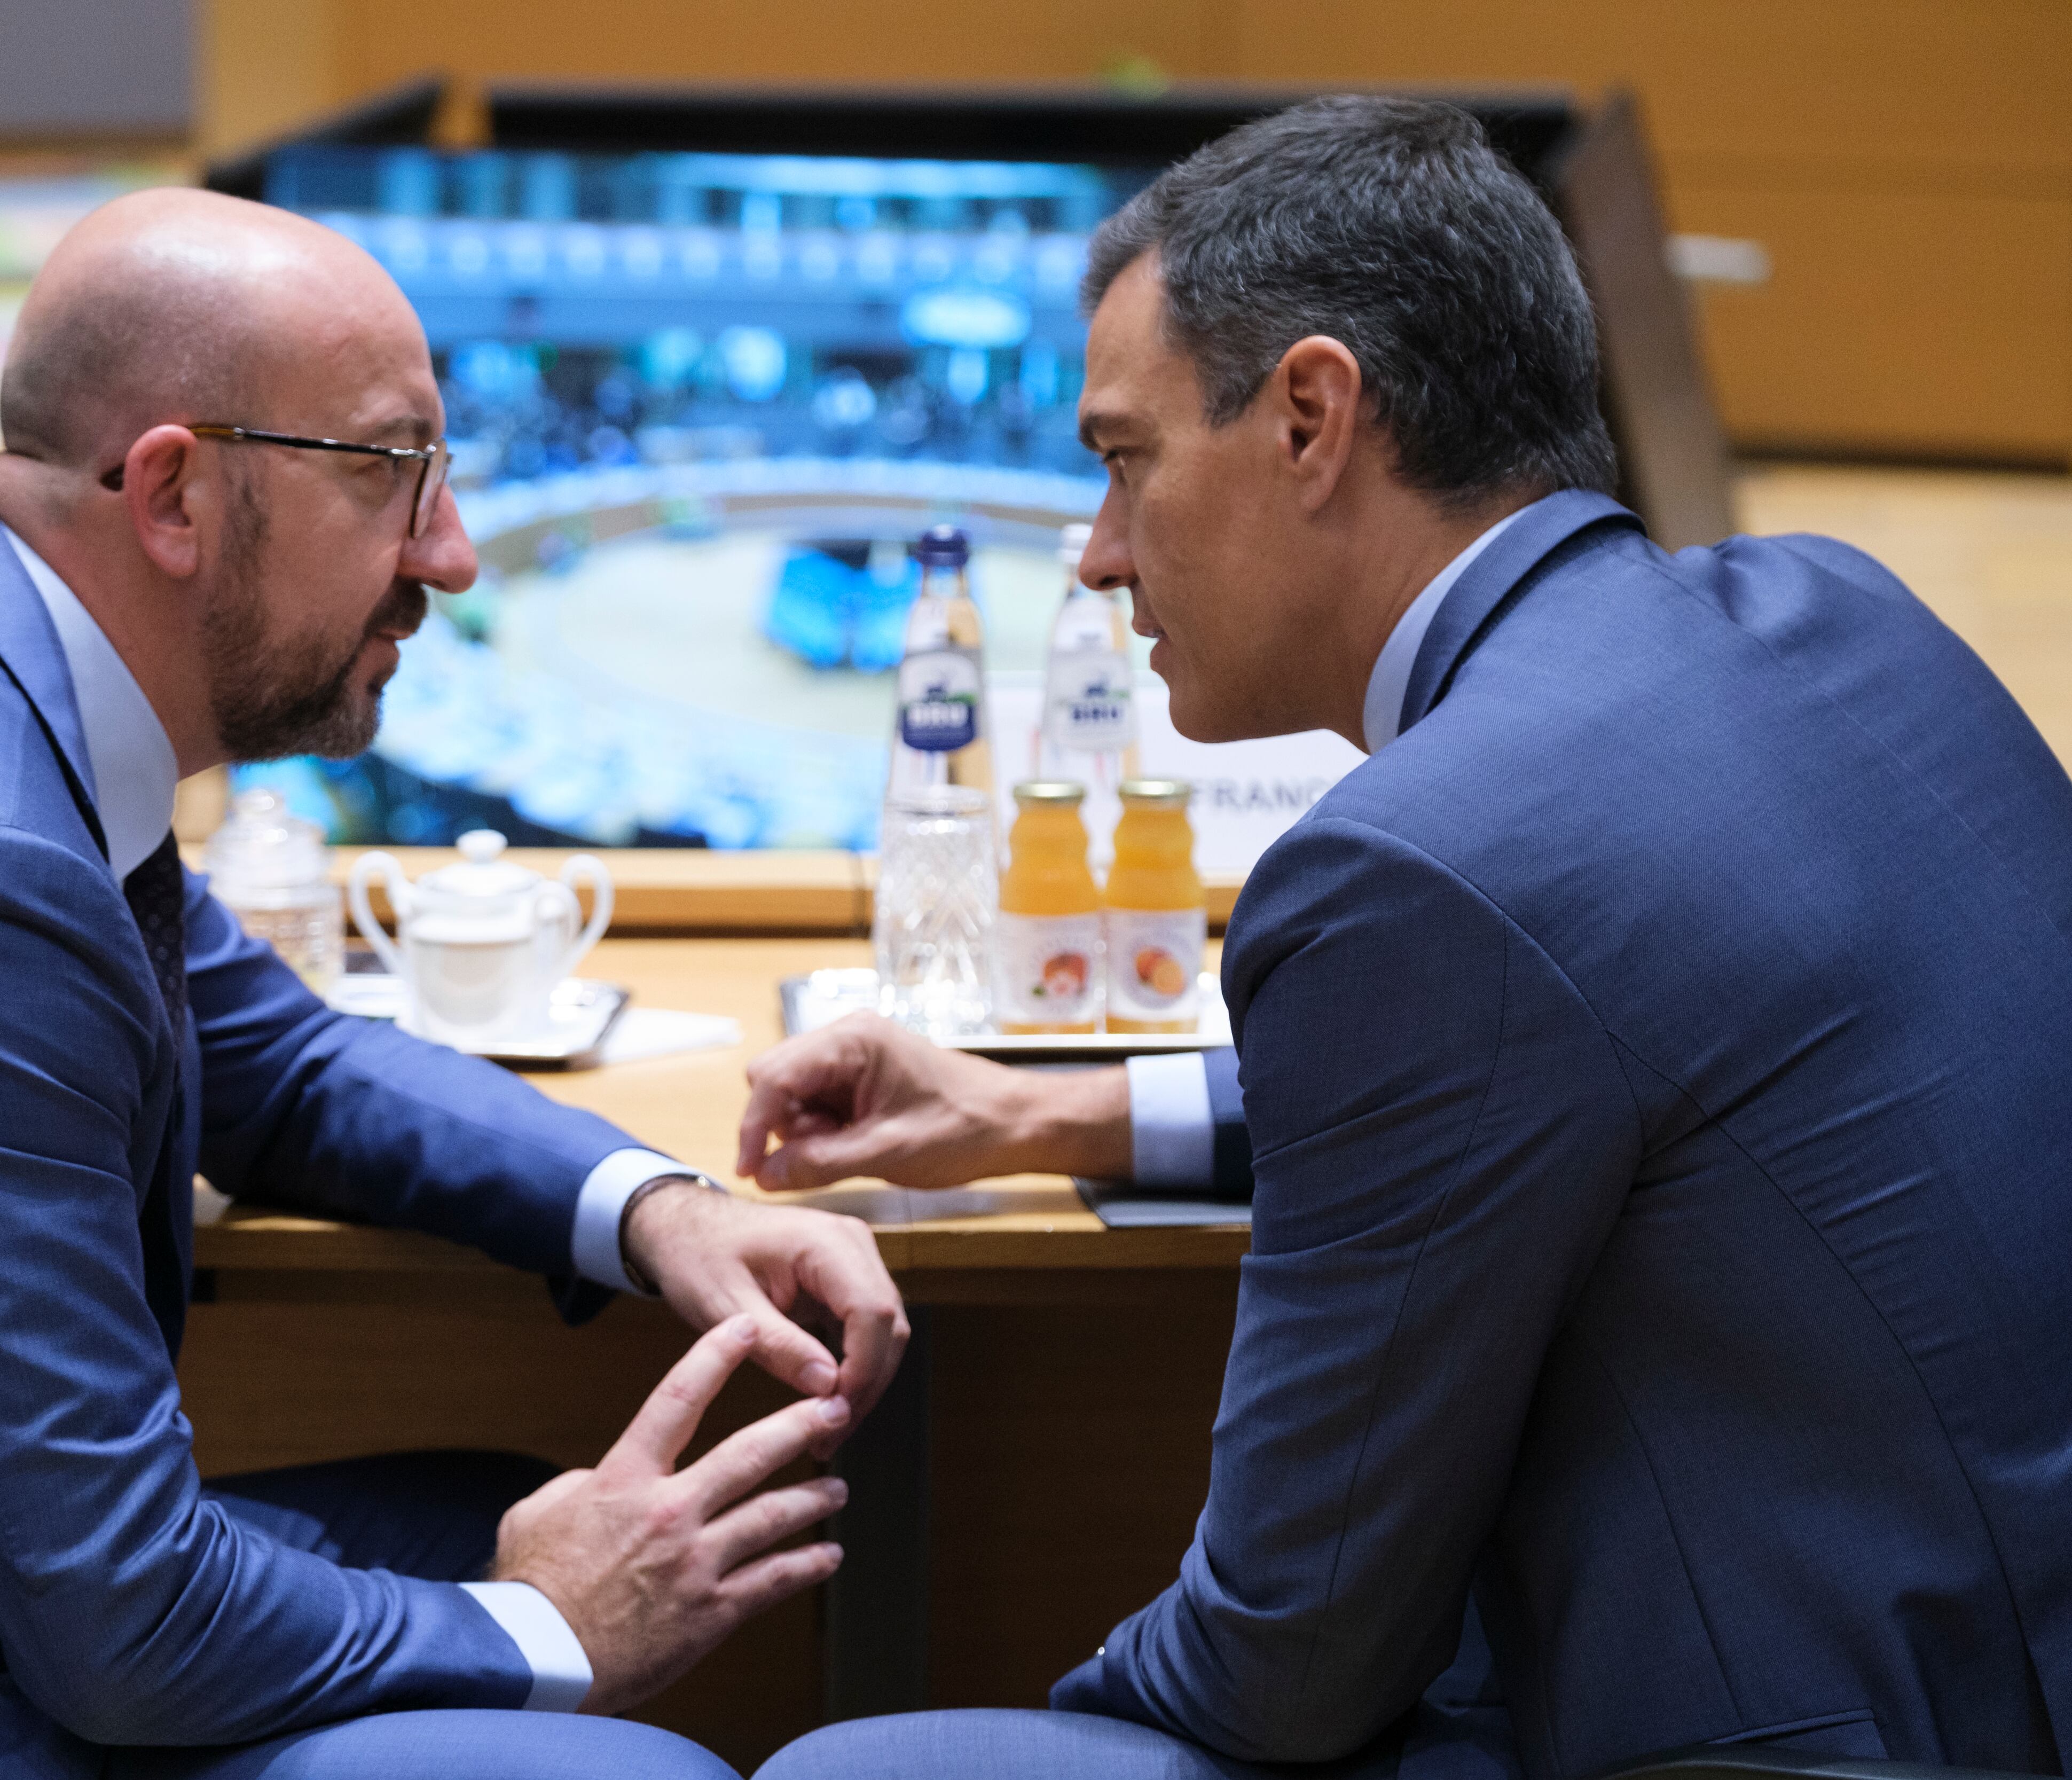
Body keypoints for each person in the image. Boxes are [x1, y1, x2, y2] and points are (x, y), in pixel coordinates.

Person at [0, 189, 911, 1780]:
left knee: (499, 1498)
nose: (452, 556)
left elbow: (281, 1063)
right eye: (394, 474)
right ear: (176, 494)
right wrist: (549, 1628)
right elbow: (127, 1627)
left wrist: (657, 1209)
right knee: (629, 1765)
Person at [750, 97, 2072, 1780]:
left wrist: (1042, 1721)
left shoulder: (1419, 873)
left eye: (1121, 460)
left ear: (1312, 416)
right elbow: (1599, 1050)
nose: (1095, 558)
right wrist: (1053, 1115)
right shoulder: (1843, 612)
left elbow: (1282, 1662)